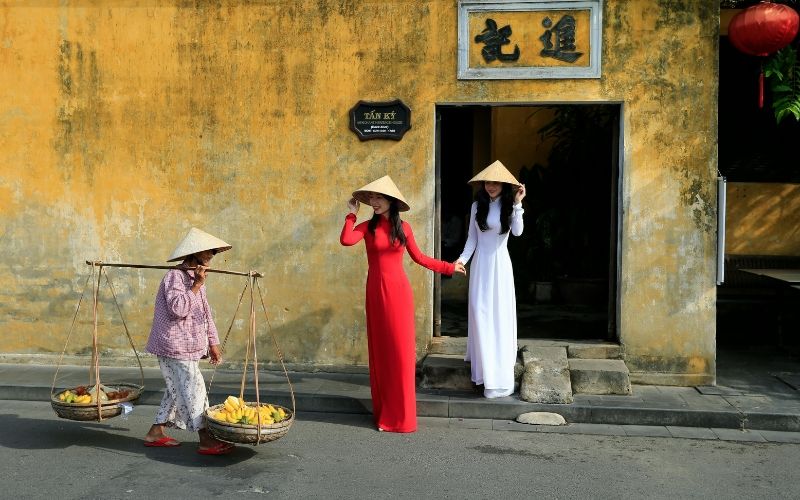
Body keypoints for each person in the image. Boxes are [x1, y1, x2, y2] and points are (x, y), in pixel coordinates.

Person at [340, 175, 466, 432]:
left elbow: (419, 257)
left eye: (379, 197)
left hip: (399, 293)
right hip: (375, 293)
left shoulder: (404, 228)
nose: (374, 202)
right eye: (372, 197)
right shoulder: (367, 227)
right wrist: (351, 215)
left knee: (400, 354)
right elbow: (346, 240)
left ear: (391, 201)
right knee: (382, 354)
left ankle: (403, 418)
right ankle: (385, 415)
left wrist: (449, 267)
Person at [143, 227, 235, 455]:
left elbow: (205, 313)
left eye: (213, 253)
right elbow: (178, 309)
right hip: (174, 345)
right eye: (209, 253)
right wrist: (196, 286)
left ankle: (155, 432)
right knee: (194, 389)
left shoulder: (195, 278)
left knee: (176, 390)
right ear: (195, 254)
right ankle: (206, 439)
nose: (212, 257)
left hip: (190, 345)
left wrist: (213, 343)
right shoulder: (175, 276)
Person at [456, 161, 527, 398]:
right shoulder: (478, 206)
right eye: (487, 182)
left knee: (498, 315)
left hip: (500, 266)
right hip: (481, 267)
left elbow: (517, 232)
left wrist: (518, 204)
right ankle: (482, 367)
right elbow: (472, 240)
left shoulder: (509, 205)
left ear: (504, 185)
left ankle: (497, 372)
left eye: (496, 182)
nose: (491, 186)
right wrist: (461, 261)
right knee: (479, 312)